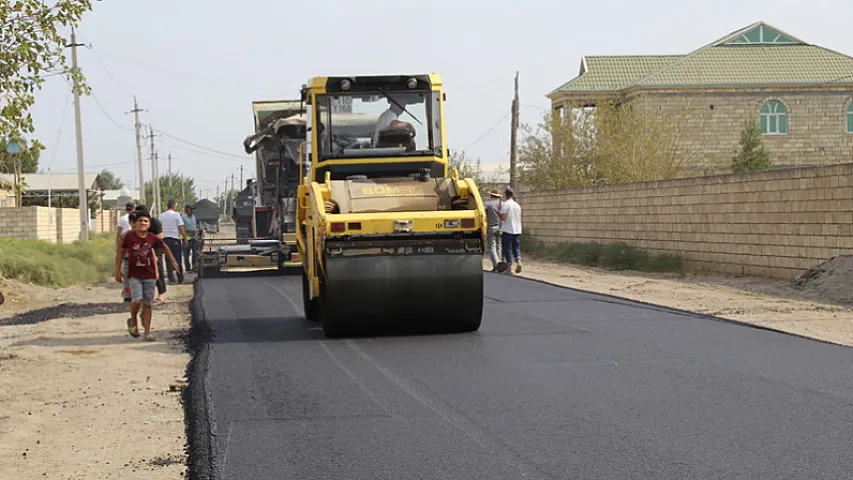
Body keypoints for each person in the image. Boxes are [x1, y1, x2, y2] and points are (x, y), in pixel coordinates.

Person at [115, 210, 178, 341]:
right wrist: (117, 270)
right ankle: (133, 322)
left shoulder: (152, 238)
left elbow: (164, 247)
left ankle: (147, 332)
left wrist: (172, 261)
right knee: (137, 300)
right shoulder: (129, 237)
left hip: (148, 276)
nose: (143, 223)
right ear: (135, 224)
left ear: (149, 224)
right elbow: (121, 252)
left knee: (148, 304)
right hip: (134, 275)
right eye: (140, 221)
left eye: (145, 221)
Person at [136, 205, 168, 303]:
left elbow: (160, 236)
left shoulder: (154, 222)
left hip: (155, 251)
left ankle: (161, 293)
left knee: (158, 273)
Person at [159, 199, 187, 284]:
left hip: (165, 240)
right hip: (175, 239)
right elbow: (181, 228)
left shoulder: (161, 216)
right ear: (174, 205)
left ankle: (171, 278)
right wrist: (185, 238)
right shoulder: (176, 215)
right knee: (177, 259)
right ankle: (179, 276)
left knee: (168, 260)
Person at [499, 186, 523, 274]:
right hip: (517, 230)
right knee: (516, 248)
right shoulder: (517, 205)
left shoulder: (505, 204)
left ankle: (509, 267)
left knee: (507, 249)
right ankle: (518, 261)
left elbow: (503, 217)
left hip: (507, 230)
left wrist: (500, 215)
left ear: (506, 195)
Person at [115, 202, 135, 302]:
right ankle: (129, 296)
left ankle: (128, 296)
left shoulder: (122, 219)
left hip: (127, 255)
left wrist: (117, 247)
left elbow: (118, 234)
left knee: (128, 280)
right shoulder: (127, 234)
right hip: (128, 256)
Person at [483, 188, 504, 272]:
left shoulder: (488, 204)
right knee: (499, 246)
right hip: (500, 227)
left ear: (491, 195)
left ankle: (497, 264)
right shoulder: (502, 204)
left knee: (492, 247)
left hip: (491, 227)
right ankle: (498, 265)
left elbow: (482, 212)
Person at [181, 204, 198, 273]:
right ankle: (188, 269)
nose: (192, 211)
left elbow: (194, 226)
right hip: (186, 239)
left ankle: (194, 267)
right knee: (186, 255)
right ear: (187, 210)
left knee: (195, 254)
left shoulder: (193, 216)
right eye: (191, 210)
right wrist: (191, 231)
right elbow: (181, 229)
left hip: (194, 238)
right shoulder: (183, 218)